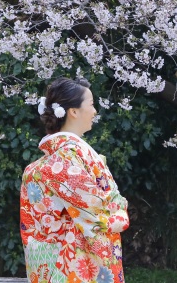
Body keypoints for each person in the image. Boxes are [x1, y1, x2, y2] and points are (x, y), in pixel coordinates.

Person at [20, 77, 129, 283]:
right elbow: (96, 214)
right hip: (70, 268)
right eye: (91, 104)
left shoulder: (41, 165)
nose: (95, 111)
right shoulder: (65, 160)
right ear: (74, 112)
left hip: (52, 266)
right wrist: (119, 208)